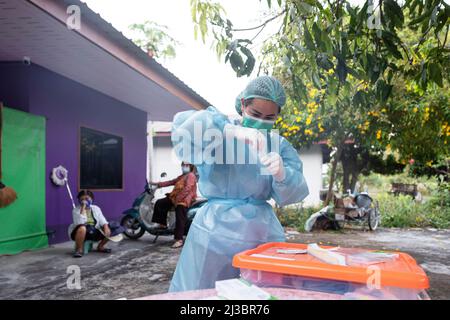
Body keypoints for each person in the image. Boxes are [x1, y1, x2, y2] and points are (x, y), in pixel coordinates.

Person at [168, 76, 309, 292]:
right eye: (255, 114)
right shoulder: (220, 133)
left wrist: (282, 174)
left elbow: (294, 191)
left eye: (269, 117)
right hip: (214, 230)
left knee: (260, 292)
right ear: (243, 105)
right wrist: (229, 131)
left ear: (278, 115)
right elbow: (184, 132)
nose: (261, 121)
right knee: (204, 293)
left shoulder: (278, 145)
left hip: (260, 233)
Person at [150, 162, 198, 248]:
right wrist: (158, 184)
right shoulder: (182, 176)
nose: (184, 167)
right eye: (183, 165)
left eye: (186, 165)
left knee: (180, 215)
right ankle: (162, 224)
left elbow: (187, 189)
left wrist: (178, 198)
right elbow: (171, 182)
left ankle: (179, 240)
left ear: (190, 166)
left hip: (185, 198)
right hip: (176, 197)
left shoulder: (191, 175)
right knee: (160, 203)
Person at [68, 190, 111, 258]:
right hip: (80, 232)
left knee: (110, 227)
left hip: (94, 230)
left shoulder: (96, 208)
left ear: (92, 199)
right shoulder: (76, 210)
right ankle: (79, 250)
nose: (84, 201)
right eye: (82, 199)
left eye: (87, 199)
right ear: (79, 200)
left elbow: (102, 220)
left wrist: (106, 227)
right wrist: (83, 208)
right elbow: (79, 223)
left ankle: (101, 246)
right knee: (82, 227)